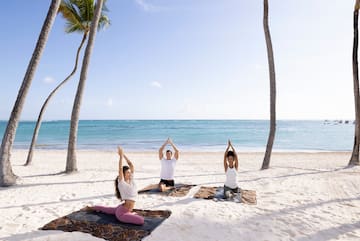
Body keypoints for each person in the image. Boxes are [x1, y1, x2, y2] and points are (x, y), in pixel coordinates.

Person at [88, 146, 144, 225]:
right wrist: (120, 157)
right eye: (127, 172)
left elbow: (131, 165)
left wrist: (123, 154)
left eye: (129, 172)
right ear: (123, 174)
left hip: (123, 208)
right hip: (122, 213)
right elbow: (120, 169)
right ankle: (90, 208)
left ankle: (91, 207)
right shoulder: (122, 182)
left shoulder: (131, 180)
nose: (130, 173)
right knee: (141, 221)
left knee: (106, 209)